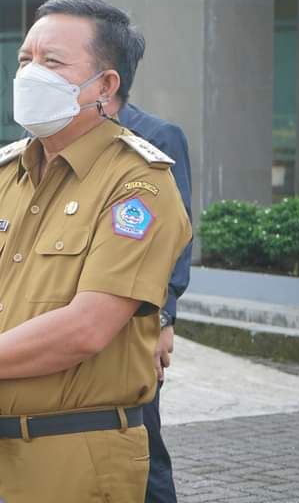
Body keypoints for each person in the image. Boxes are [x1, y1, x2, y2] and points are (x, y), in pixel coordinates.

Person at [0, 0, 191, 502]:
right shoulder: (4, 174)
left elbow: (87, 327)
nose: (30, 74)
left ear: (105, 86)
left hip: (77, 452)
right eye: (25, 59)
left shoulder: (137, 185)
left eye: (52, 62)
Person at [117, 102, 192, 503]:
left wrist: (164, 319)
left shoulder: (158, 136)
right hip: (64, 321)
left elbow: (178, 236)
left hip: (137, 323)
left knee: (144, 447)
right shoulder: (38, 138)